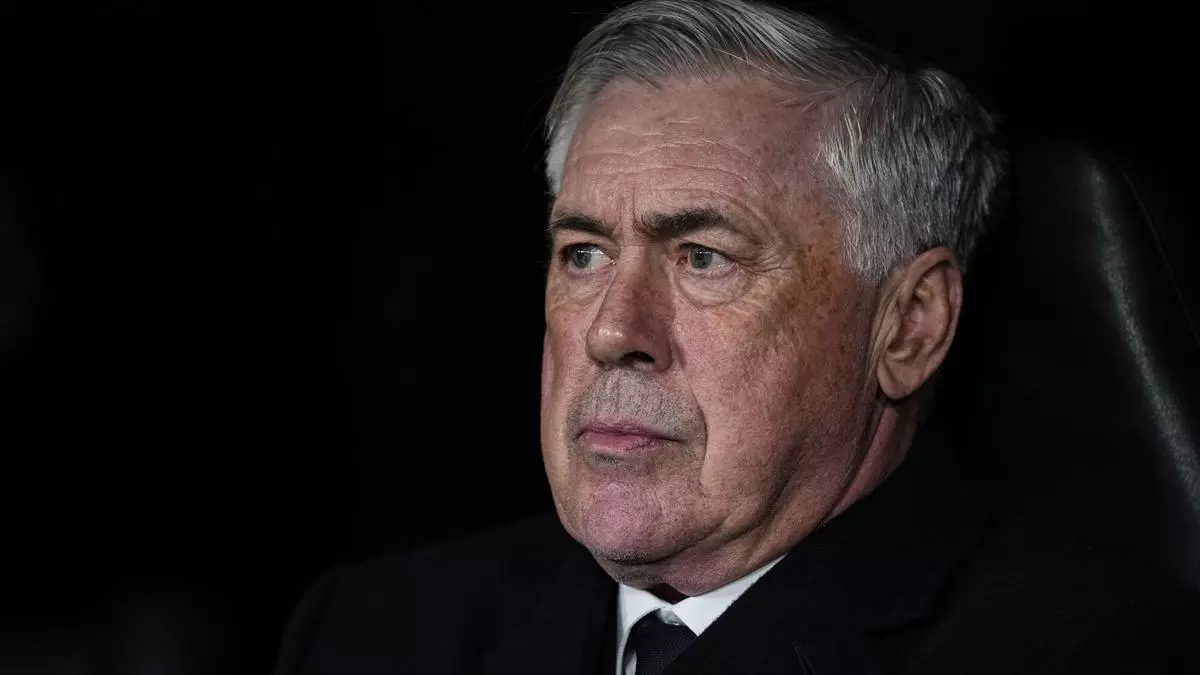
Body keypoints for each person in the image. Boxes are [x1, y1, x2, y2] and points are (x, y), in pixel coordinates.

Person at [274, 1, 1200, 673]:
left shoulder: (1096, 652)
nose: (613, 331)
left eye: (704, 257)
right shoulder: (372, 627)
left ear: (909, 325)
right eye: (584, 253)